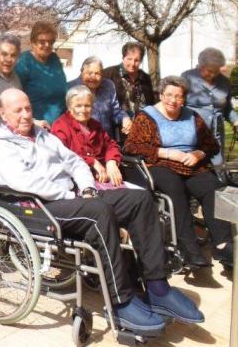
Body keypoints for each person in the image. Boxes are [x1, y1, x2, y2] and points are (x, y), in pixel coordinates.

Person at [0, 88, 203, 335]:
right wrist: (71, 196)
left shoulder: (43, 135)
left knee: (140, 199)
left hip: (73, 195)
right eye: (18, 110)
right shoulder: (0, 144)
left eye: (28, 108)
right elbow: (25, 182)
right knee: (98, 211)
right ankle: (121, 302)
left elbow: (75, 162)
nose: (26, 114)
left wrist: (87, 189)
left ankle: (157, 288)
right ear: (2, 113)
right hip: (39, 206)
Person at [124, 75, 234, 268]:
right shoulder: (147, 116)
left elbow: (211, 144)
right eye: (168, 95)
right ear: (161, 95)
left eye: (178, 96)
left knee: (216, 188)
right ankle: (189, 248)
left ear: (184, 98)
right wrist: (166, 153)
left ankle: (223, 245)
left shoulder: (192, 116)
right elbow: (132, 146)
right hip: (160, 164)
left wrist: (199, 154)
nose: (173, 100)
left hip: (191, 165)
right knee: (175, 189)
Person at [51, 85, 140, 190]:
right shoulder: (60, 127)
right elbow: (61, 157)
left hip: (105, 179)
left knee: (141, 194)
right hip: (80, 184)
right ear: (69, 107)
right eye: (78, 106)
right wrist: (92, 162)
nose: (83, 110)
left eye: (87, 106)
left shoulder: (95, 125)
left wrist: (111, 161)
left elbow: (111, 145)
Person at [182, 47, 238, 165]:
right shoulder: (187, 78)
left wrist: (235, 120)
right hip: (193, 133)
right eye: (209, 71)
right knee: (193, 166)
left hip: (216, 134)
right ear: (200, 66)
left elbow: (227, 108)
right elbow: (178, 104)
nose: (212, 75)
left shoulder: (225, 82)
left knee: (217, 167)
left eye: (216, 71)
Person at [14, 20, 67, 126]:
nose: (47, 45)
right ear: (33, 42)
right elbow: (15, 97)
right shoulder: (24, 62)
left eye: (50, 42)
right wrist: (32, 121)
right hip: (37, 126)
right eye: (42, 41)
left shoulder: (54, 59)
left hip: (60, 125)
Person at [69, 56, 131, 138]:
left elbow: (115, 112)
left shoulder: (108, 86)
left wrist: (124, 118)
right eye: (89, 73)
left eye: (97, 73)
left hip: (106, 140)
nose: (93, 77)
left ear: (102, 75)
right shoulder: (70, 89)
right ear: (81, 73)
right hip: (80, 140)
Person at [103, 42, 155, 120]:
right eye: (129, 59)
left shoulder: (145, 78)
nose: (132, 63)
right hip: (116, 125)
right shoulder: (109, 74)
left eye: (137, 60)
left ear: (141, 61)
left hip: (141, 125)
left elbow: (151, 104)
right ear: (123, 57)